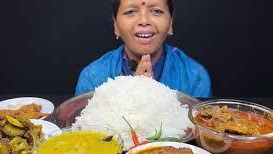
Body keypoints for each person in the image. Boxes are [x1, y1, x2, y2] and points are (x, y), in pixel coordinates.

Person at [75, 0, 212, 97]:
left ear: (170, 22)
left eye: (156, 11)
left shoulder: (195, 77)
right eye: (131, 12)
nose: (144, 20)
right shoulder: (92, 77)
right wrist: (135, 94)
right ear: (115, 24)